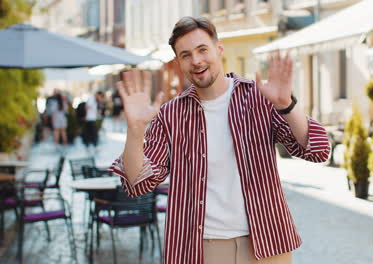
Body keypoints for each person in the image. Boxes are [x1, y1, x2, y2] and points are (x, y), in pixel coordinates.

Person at [110, 17, 330, 264]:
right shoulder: (170, 115)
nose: (196, 60)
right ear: (179, 62)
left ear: (219, 49)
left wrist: (287, 106)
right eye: (185, 55)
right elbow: (136, 184)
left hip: (268, 244)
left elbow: (318, 151)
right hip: (201, 249)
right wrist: (135, 130)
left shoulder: (258, 98)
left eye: (202, 49)